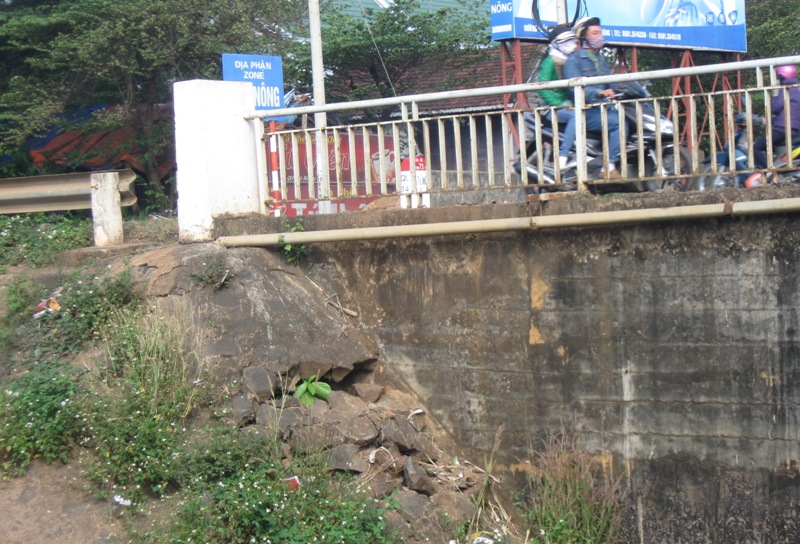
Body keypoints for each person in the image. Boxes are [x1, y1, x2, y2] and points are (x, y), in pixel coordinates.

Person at [562, 16, 623, 179]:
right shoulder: (574, 60)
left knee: (628, 118)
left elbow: (611, 83)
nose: (599, 37)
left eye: (600, 33)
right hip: (586, 111)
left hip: (602, 109)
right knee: (619, 122)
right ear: (584, 36)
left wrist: (627, 88)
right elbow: (573, 88)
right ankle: (609, 166)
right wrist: (598, 93)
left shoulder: (601, 60)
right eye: (595, 33)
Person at [537, 24, 579, 170]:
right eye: (565, 41)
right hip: (553, 109)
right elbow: (542, 87)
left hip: (571, 104)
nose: (570, 44)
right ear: (556, 44)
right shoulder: (550, 61)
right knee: (576, 116)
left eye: (571, 40)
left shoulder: (572, 61)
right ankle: (563, 156)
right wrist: (560, 103)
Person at [753, 64, 800, 169]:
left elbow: (775, 108)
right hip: (793, 128)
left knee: (756, 148)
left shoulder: (786, 89)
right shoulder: (796, 89)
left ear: (781, 75)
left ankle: (772, 172)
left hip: (782, 129)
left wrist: (775, 94)